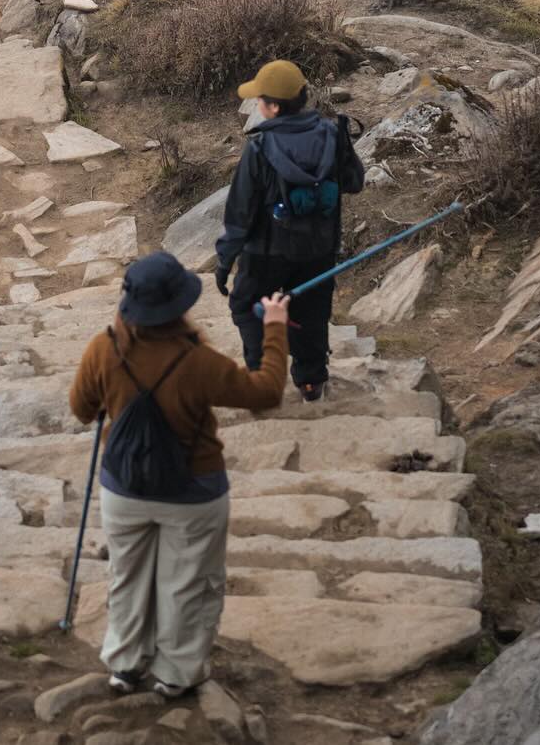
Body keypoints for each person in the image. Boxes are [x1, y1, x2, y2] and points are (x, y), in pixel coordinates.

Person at [69, 251, 291, 698]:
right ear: (178, 306)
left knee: (127, 576)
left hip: (125, 488)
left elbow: (81, 409)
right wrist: (274, 327)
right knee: (188, 583)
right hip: (194, 490)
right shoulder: (198, 360)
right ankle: (176, 673)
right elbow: (266, 392)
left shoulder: (103, 347)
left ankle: (126, 666)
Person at [214, 59, 365, 402]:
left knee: (246, 304)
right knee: (311, 310)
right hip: (319, 247)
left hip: (266, 252)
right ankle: (311, 381)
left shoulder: (259, 148)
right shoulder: (332, 134)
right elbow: (355, 182)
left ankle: (261, 377)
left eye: (260, 100)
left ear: (273, 106)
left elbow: (240, 213)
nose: (258, 105)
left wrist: (225, 262)